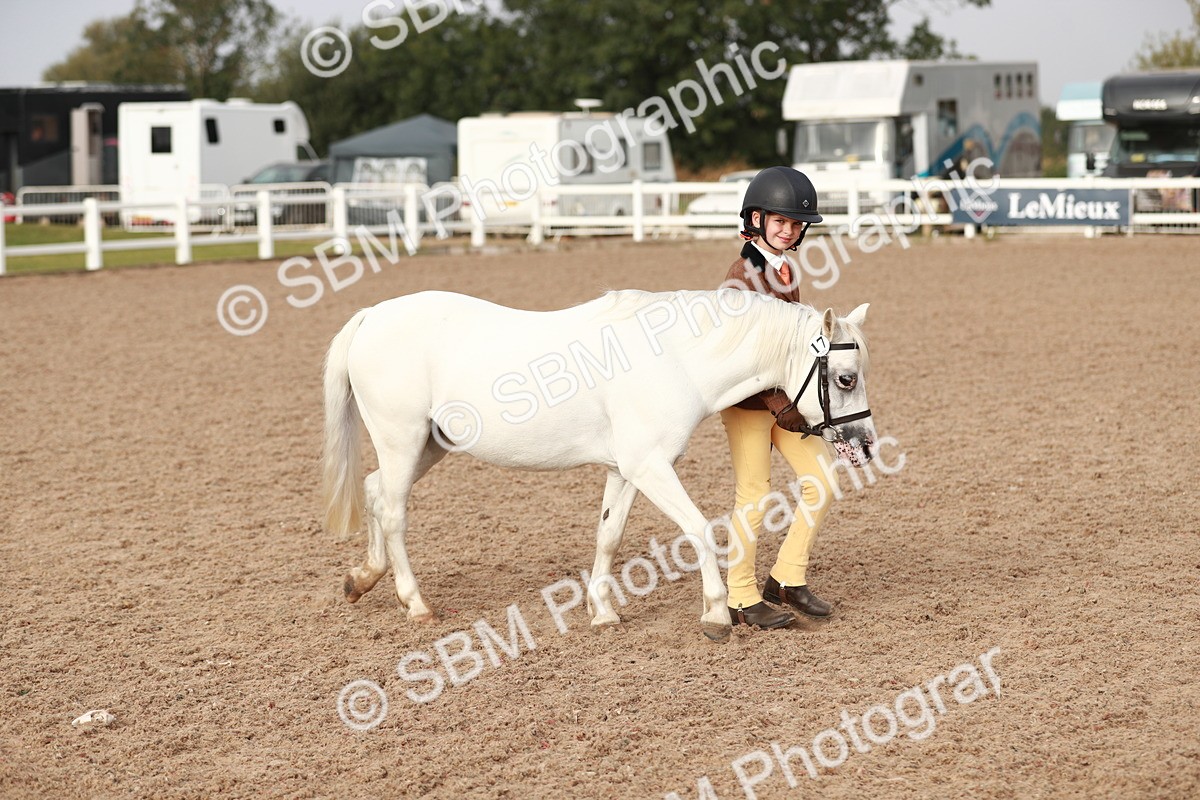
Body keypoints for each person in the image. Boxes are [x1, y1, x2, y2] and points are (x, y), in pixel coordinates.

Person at [718, 166, 838, 630]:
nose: (788, 231)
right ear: (756, 219)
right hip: (750, 402)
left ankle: (786, 577)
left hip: (785, 401)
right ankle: (741, 595)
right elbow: (746, 354)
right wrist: (783, 408)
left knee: (822, 479)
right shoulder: (740, 276)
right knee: (754, 494)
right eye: (779, 222)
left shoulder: (785, 267)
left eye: (794, 224)